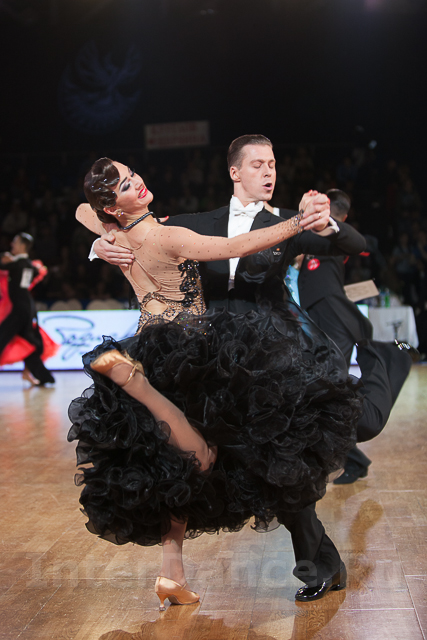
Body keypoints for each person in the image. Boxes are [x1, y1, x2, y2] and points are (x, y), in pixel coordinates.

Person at [70, 147, 364, 609]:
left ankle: (176, 572)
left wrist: (104, 234)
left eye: (272, 164)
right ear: (235, 171)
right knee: (213, 458)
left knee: (180, 462)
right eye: (258, 164)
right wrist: (100, 241)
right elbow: (232, 248)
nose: (268, 171)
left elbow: (84, 210)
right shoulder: (180, 228)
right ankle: (313, 558)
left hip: (196, 347)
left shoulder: (134, 230)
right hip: (204, 356)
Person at [297, 189, 415, 483]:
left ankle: (350, 459)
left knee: (330, 391)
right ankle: (350, 458)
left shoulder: (336, 235)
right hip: (324, 313)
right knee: (325, 391)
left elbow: (363, 244)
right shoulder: (318, 235)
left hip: (331, 315)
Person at [0, 233, 56, 386]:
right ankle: (44, 377)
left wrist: (5, 259)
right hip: (26, 307)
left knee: (3, 337)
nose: (12, 245)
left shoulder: (20, 264)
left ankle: (40, 375)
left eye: (15, 242)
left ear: (22, 246)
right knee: (29, 343)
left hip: (20, 309)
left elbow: (4, 266)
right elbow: (35, 272)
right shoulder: (27, 264)